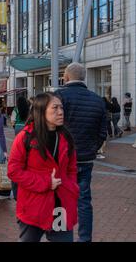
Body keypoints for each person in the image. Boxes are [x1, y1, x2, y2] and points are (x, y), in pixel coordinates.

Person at [8, 92, 79, 242]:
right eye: (55, 108)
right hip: (34, 207)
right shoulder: (25, 137)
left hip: (60, 207)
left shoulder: (66, 137)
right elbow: (14, 171)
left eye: (61, 107)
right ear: (41, 111)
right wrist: (46, 182)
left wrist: (71, 187)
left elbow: (71, 168)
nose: (60, 112)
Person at [55, 62, 107, 242]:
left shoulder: (59, 97)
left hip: (62, 159)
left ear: (66, 77)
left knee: (59, 198)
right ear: (83, 77)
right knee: (84, 201)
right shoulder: (97, 100)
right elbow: (102, 132)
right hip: (85, 158)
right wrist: (92, 148)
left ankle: (60, 236)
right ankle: (85, 239)